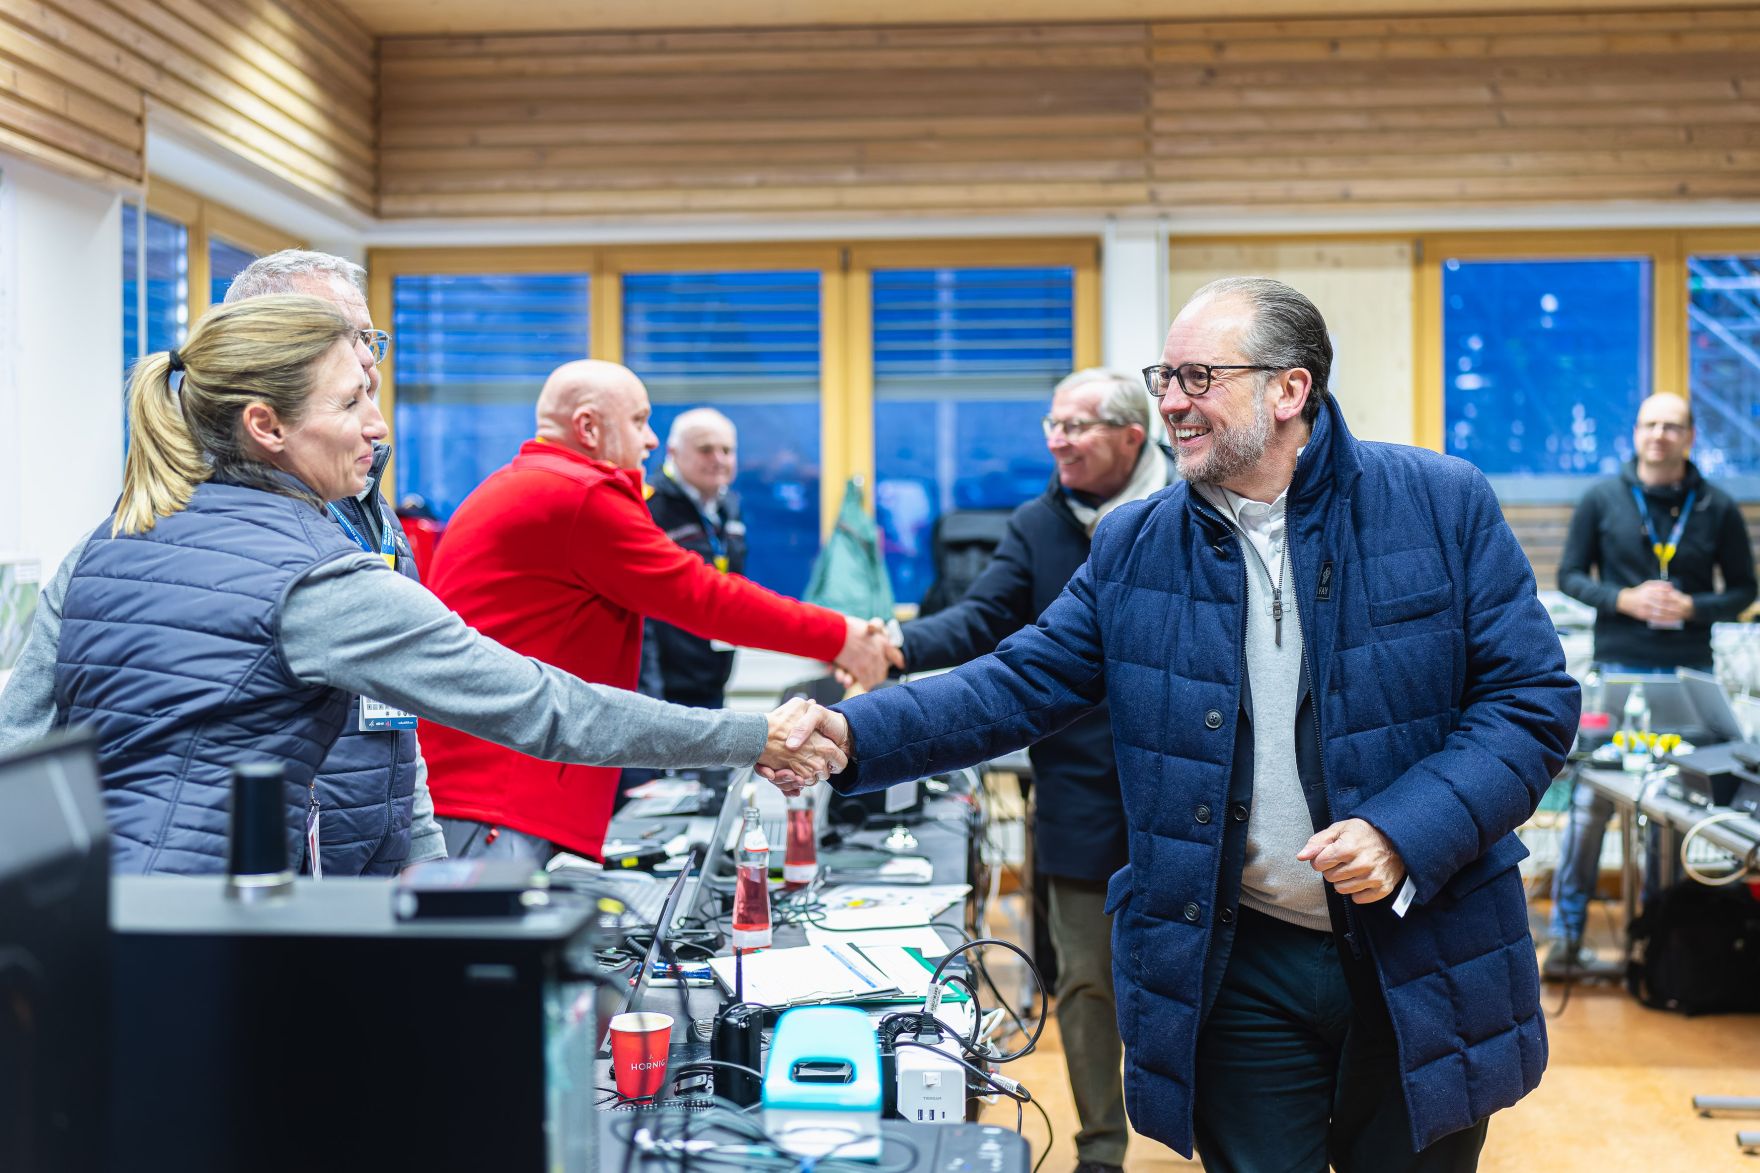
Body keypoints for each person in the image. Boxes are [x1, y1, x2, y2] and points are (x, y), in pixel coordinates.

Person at [770, 277, 1579, 1170]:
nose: (1170, 402)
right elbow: (1017, 681)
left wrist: (1402, 829)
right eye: (1165, 376)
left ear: (1288, 390)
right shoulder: (1137, 542)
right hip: (1237, 960)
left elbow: (1531, 703)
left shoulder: (1437, 503)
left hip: (1422, 945)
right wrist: (855, 734)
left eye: (1198, 376)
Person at [9, 295, 843, 875]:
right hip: (206, 935)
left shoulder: (103, 542)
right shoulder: (318, 581)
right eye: (353, 401)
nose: (378, 427)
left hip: (85, 916)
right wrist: (751, 735)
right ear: (266, 426)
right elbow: (544, 705)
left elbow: (19, 743)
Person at [0, 248, 450, 875]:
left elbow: (392, 711)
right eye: (339, 335)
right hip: (247, 891)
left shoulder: (371, 512)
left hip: (367, 874)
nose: (365, 356)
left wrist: (419, 843)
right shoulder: (148, 537)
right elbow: (24, 736)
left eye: (368, 335)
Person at [421, 359, 900, 863]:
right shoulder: (578, 495)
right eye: (639, 421)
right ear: (588, 427)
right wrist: (840, 636)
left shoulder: (530, 484)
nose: (651, 440)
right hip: (496, 795)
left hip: (494, 782)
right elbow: (704, 596)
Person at [893, 367, 1169, 1173]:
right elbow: (983, 620)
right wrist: (893, 645)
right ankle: (1101, 1147)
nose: (1058, 440)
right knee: (1085, 977)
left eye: (1077, 426)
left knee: (1211, 969)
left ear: (1130, 434)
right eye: (1052, 424)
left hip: (1193, 788)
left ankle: (1225, 1128)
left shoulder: (1192, 507)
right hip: (1080, 787)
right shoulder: (1038, 523)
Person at [1550, 391, 1756, 973]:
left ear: (1690, 437)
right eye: (1649, 425)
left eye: (1671, 426)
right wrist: (1624, 599)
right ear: (1635, 434)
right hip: (1618, 670)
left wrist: (1692, 607)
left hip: (1690, 675)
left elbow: (1744, 590)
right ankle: (1566, 940)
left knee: (1681, 806)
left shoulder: (1715, 506)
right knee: (1591, 803)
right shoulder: (1602, 498)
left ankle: (1659, 941)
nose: (1658, 435)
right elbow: (1568, 575)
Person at [643, 408, 745, 710]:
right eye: (705, 449)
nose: (719, 459)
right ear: (673, 452)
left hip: (713, 677)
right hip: (661, 688)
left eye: (727, 450)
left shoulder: (730, 507)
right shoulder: (650, 508)